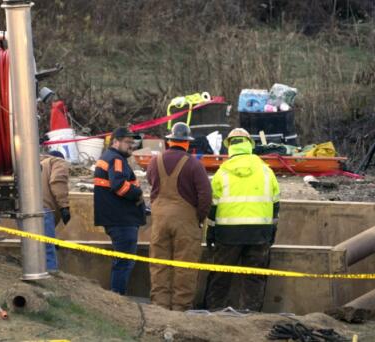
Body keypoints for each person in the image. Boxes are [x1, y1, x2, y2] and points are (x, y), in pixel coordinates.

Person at [204, 128, 280, 312]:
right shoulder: (266, 171)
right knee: (254, 277)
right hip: (259, 233)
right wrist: (271, 232)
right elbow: (276, 204)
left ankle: (214, 313)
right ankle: (250, 316)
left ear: (229, 146)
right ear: (250, 145)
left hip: (228, 234)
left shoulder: (222, 173)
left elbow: (212, 207)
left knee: (220, 276)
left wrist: (211, 232)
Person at [147, 122, 212, 311]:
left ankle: (159, 307)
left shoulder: (154, 161)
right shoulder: (194, 164)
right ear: (187, 143)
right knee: (185, 267)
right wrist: (198, 218)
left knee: (159, 264)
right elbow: (205, 196)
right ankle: (180, 310)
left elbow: (152, 186)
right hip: (185, 222)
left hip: (159, 221)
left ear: (169, 141)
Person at [94, 127, 146, 295]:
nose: (131, 146)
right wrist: (137, 194)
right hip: (122, 221)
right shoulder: (116, 159)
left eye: (132, 142)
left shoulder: (108, 157)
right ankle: (118, 298)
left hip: (115, 217)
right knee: (124, 262)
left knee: (122, 261)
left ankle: (117, 297)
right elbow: (119, 186)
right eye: (127, 142)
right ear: (115, 141)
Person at [41, 150, 71, 273]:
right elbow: (58, 182)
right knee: (48, 248)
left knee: (33, 246)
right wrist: (64, 206)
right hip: (43, 210)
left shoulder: (35, 163)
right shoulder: (58, 162)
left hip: (24, 210)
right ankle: (51, 278)